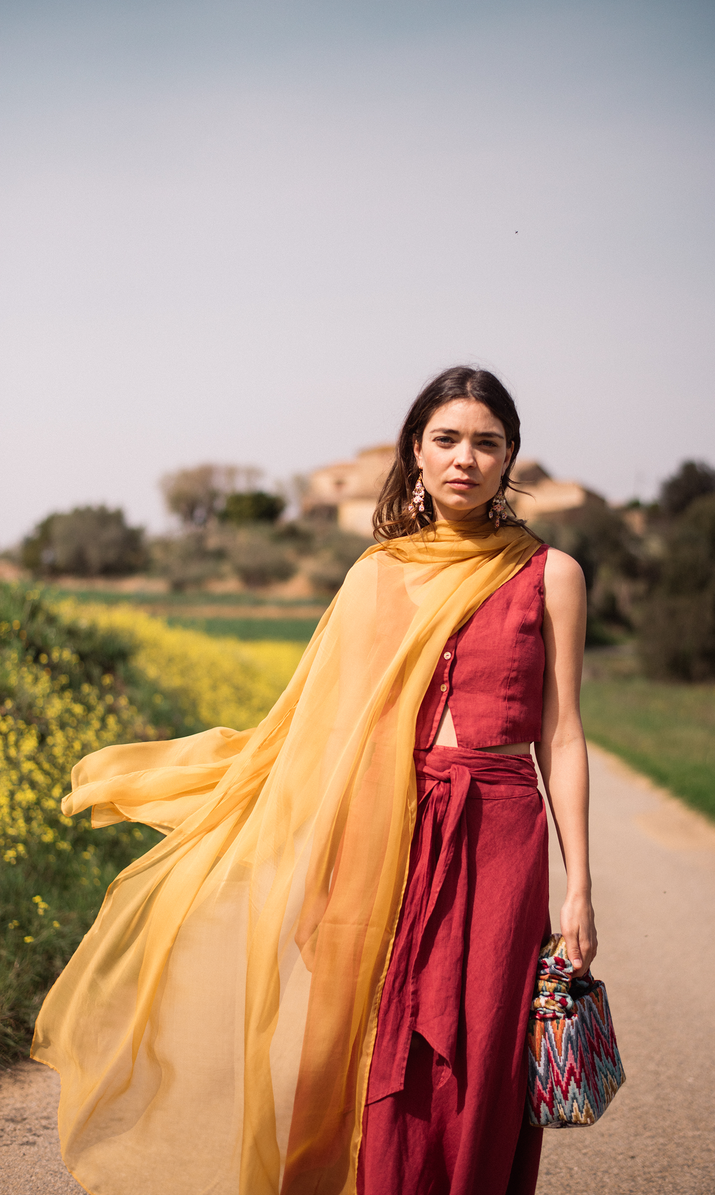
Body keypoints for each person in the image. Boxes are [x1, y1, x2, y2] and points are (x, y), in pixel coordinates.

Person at [33, 365, 596, 1195]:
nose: (464, 459)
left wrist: (580, 885)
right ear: (415, 450)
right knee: (371, 1037)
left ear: (512, 456)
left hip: (502, 831)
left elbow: (563, 733)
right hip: (388, 827)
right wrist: (317, 860)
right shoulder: (378, 573)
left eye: (487, 442)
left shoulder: (551, 575)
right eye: (446, 439)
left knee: (483, 1043)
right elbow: (330, 729)